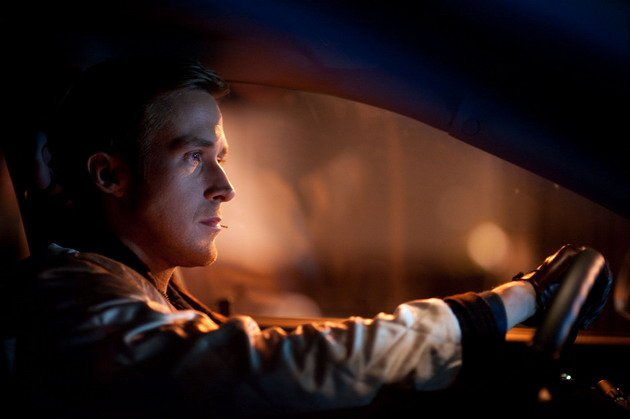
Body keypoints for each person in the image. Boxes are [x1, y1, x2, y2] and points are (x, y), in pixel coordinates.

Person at [1, 57, 613, 418]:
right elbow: (273, 369)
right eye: (193, 158)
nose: (224, 187)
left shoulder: (148, 292)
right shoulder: (72, 299)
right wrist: (508, 303)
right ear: (110, 174)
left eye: (222, 158)